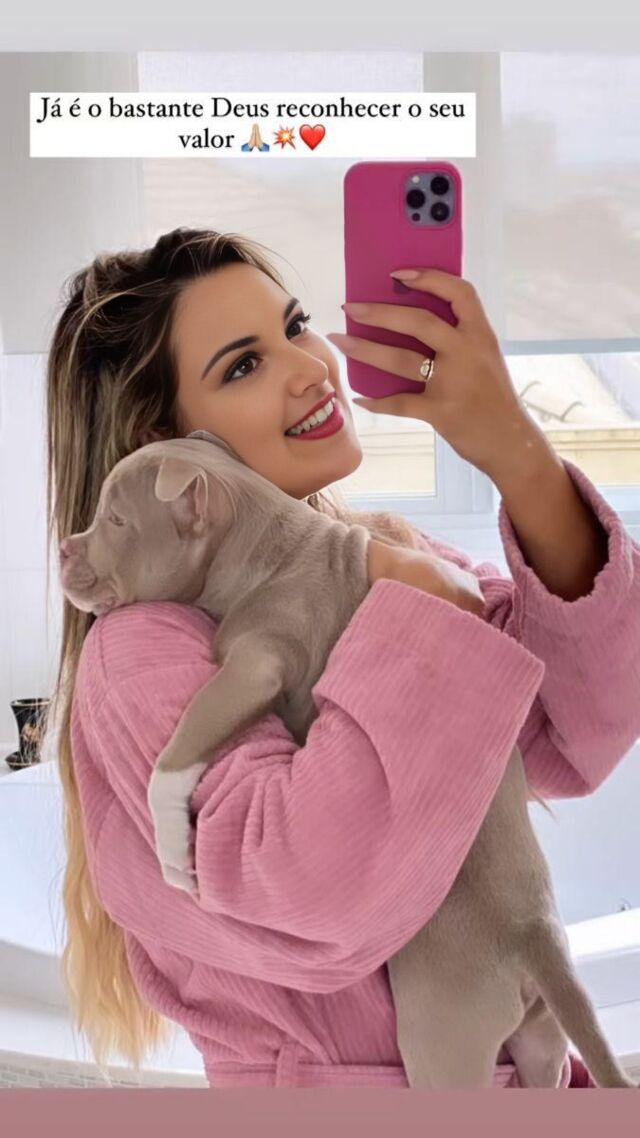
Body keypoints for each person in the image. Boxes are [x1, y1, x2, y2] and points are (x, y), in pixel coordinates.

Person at [46, 227, 639, 1089]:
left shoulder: (382, 554)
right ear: (165, 441)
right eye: (244, 365)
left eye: (296, 326)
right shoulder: (140, 652)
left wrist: (512, 447)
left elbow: (573, 733)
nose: (310, 366)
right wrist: (418, 603)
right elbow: (309, 892)